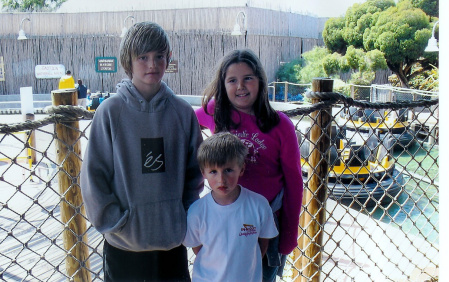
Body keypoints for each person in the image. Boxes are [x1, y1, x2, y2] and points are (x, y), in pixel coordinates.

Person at [80, 21, 203, 281]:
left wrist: (182, 218)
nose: (152, 65)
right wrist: (116, 223)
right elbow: (94, 178)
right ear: (128, 60)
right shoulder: (109, 113)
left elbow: (195, 176)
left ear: (168, 58)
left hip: (172, 244)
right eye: (143, 57)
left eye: (159, 56)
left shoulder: (182, 114)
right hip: (124, 246)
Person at [195, 49, 304, 281]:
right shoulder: (215, 112)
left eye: (248, 79)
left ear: (260, 82)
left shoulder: (281, 126)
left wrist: (288, 234)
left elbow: (294, 182)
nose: (240, 87)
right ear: (223, 85)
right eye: (232, 80)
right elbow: (185, 121)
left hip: (267, 224)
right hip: (223, 221)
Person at [183, 132, 278, 281]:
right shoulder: (197, 211)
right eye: (213, 172)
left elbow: (262, 245)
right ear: (203, 173)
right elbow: (198, 249)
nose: (222, 179)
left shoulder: (259, 205)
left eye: (228, 170)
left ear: (241, 168)